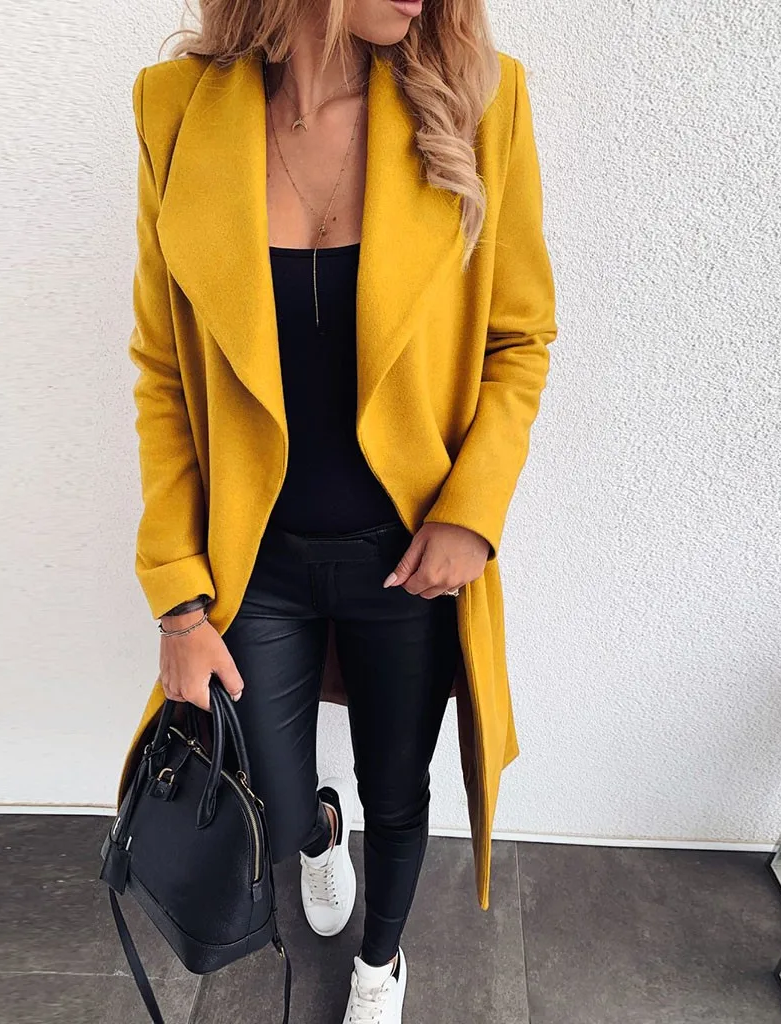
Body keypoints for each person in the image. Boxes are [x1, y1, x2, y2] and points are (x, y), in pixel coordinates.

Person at [122, 1, 558, 1020]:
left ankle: (380, 965)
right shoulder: (175, 110)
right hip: (255, 558)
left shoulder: (480, 104)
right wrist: (178, 603)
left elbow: (519, 338)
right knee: (267, 804)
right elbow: (163, 374)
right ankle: (320, 832)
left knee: (398, 789)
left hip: (407, 556)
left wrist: (472, 510)